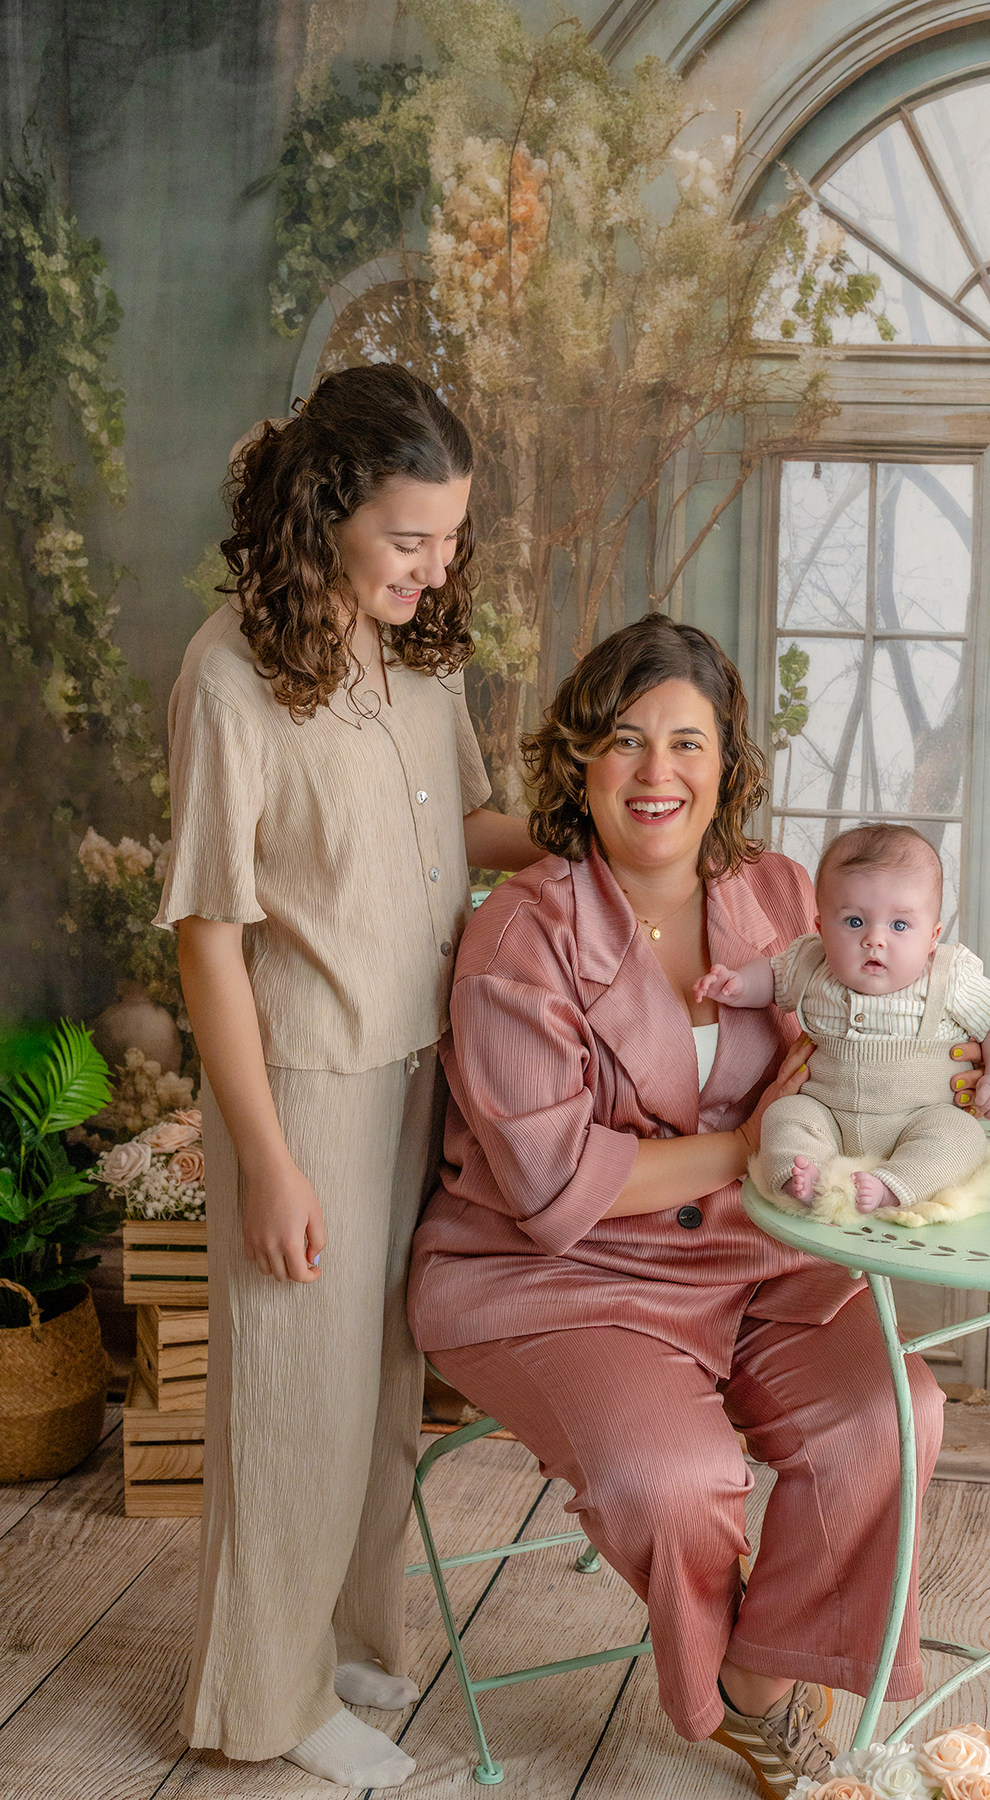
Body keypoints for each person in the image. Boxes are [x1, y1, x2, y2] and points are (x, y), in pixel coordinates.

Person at [408, 613, 983, 1796]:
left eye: (688, 742)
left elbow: (858, 1038)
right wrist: (751, 1146)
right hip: (554, 1278)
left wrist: (937, 1073)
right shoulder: (520, 930)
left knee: (896, 1416)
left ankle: (757, 1689)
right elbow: (556, 1181)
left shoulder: (780, 890)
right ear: (581, 763)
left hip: (764, 1253)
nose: (657, 772)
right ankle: (756, 1694)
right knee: (668, 1479)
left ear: (728, 767)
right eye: (625, 742)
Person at [154, 365, 537, 1788]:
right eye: (409, 542)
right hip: (306, 1083)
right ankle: (264, 1698)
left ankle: (342, 1639)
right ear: (326, 517)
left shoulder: (420, 659)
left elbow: (466, 830)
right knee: (291, 1407)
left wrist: (585, 839)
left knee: (383, 1385)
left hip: (422, 1063)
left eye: (449, 541)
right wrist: (263, 1157)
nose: (436, 572)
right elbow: (210, 936)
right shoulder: (229, 678)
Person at [696, 823, 990, 1226]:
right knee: (785, 1116)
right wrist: (739, 984)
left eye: (899, 925)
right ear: (820, 929)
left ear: (933, 937)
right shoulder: (811, 960)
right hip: (827, 1111)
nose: (875, 939)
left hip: (918, 1117)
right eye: (854, 922)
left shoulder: (951, 975)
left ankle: (891, 1185)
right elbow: (772, 977)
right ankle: (800, 1177)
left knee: (960, 1136)